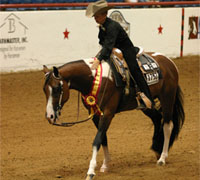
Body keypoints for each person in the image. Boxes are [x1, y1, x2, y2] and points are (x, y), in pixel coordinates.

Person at [86, 0, 154, 109]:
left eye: (97, 16)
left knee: (134, 69)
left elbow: (108, 45)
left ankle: (148, 98)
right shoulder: (102, 25)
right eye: (94, 16)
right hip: (114, 49)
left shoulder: (112, 26)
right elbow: (102, 42)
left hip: (126, 49)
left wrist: (98, 59)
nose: (95, 18)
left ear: (104, 15)